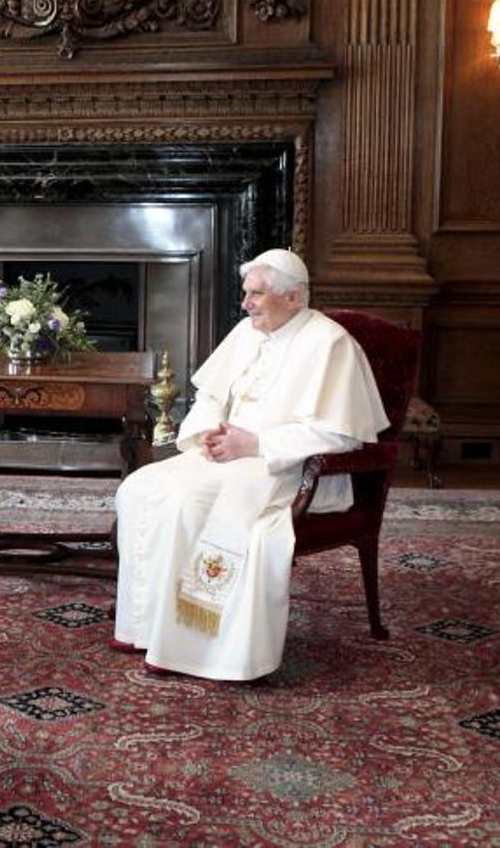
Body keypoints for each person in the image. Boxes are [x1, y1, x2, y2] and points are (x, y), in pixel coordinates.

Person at [111, 249, 388, 681]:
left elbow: (341, 434)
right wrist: (207, 432)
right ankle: (144, 626)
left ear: (294, 298)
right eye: (246, 293)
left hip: (286, 467)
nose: (246, 304)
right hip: (226, 454)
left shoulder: (330, 343)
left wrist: (256, 444)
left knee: (185, 501)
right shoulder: (245, 332)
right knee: (139, 489)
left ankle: (196, 647)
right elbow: (210, 397)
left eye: (257, 294)